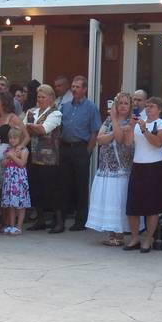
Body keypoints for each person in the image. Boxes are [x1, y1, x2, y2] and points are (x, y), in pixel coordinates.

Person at [86, 93, 135, 245]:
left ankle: (119, 235)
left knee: (118, 200)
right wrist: (115, 129)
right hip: (106, 167)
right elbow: (100, 139)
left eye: (126, 103)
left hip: (121, 169)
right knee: (109, 200)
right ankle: (112, 234)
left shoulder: (131, 121)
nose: (122, 106)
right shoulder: (108, 120)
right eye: (119, 103)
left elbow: (121, 140)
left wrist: (114, 126)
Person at [126, 97, 162, 253]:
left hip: (154, 167)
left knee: (152, 207)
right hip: (138, 166)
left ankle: (148, 238)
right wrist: (131, 127)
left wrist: (145, 130)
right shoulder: (139, 123)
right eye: (147, 106)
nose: (148, 109)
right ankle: (135, 237)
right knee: (133, 205)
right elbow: (127, 143)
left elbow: (158, 142)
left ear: (159, 109)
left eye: (151, 106)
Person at [59, 75, 102, 230]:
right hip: (65, 148)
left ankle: (80, 220)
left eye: (78, 87)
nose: (74, 89)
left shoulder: (91, 107)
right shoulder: (65, 106)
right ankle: (61, 219)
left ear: (84, 89)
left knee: (81, 185)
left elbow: (94, 131)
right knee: (64, 184)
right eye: (73, 86)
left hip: (80, 148)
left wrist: (88, 151)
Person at [24, 84, 64, 232]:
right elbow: (22, 130)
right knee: (36, 188)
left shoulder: (55, 113)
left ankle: (59, 222)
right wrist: (29, 126)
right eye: (38, 96)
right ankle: (40, 220)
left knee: (53, 190)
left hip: (50, 159)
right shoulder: (32, 111)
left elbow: (43, 129)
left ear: (51, 98)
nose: (40, 99)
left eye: (43, 97)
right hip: (33, 156)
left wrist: (29, 125)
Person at [0, 92, 22, 215]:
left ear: (4, 102)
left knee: (5, 189)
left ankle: (7, 220)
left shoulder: (12, 118)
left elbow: (25, 137)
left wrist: (16, 152)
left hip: (6, 156)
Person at [0, 122, 31, 234]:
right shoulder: (8, 150)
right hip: (9, 181)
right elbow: (2, 163)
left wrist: (13, 157)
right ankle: (11, 225)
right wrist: (8, 159)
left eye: (15, 138)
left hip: (19, 180)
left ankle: (19, 226)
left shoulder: (23, 151)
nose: (12, 140)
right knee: (11, 204)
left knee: (20, 204)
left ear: (21, 139)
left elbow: (22, 163)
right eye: (10, 138)